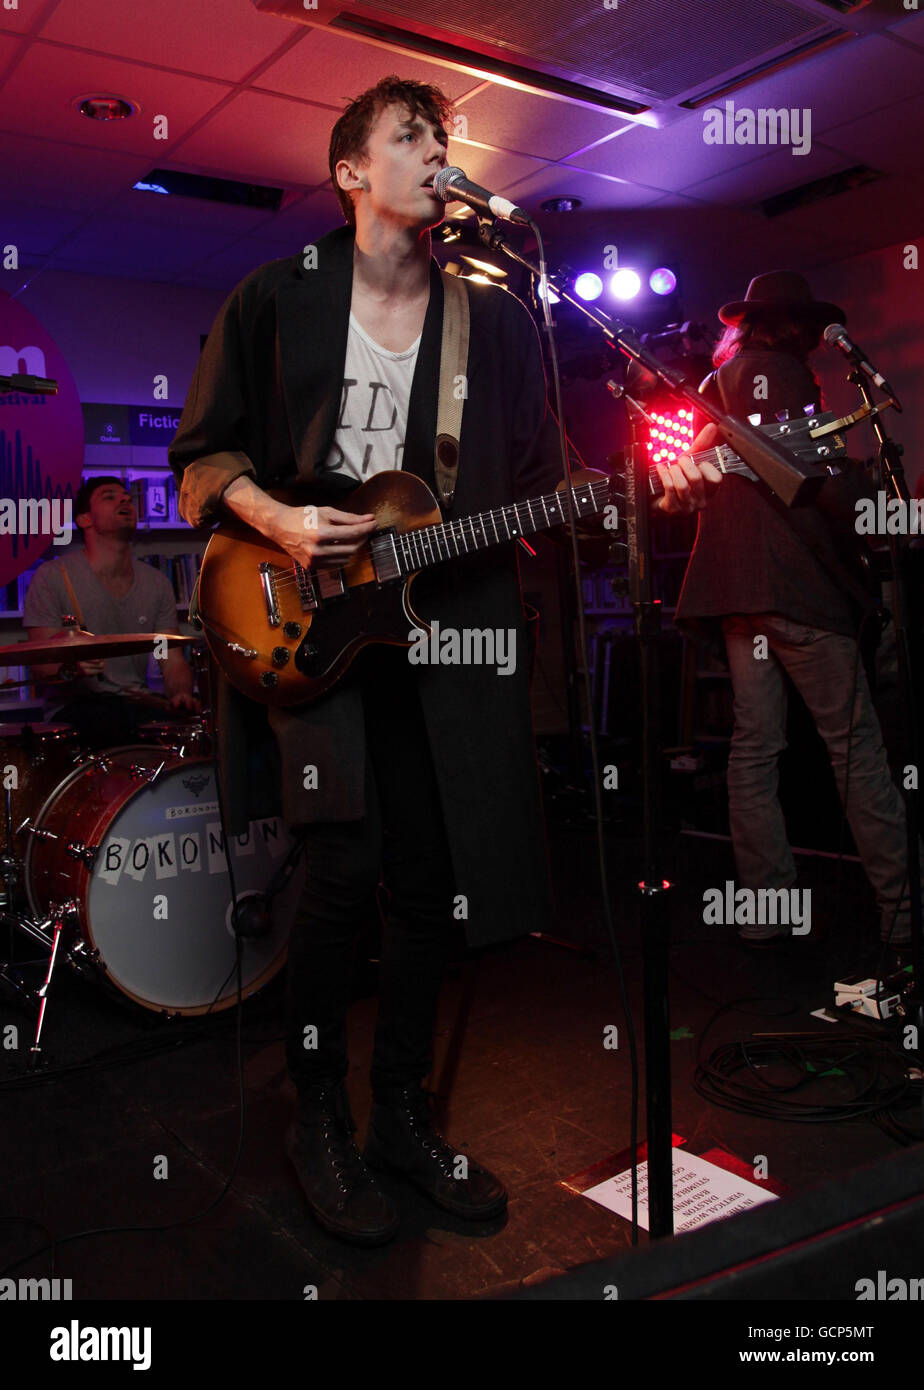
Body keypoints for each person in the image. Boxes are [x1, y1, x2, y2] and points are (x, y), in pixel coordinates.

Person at [168, 74, 715, 1247]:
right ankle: (316, 1111)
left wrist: (631, 486)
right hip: (308, 624)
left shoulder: (498, 319)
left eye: (442, 136)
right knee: (340, 876)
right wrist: (279, 518)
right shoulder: (275, 299)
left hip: (441, 639)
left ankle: (400, 1116)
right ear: (352, 171)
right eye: (409, 137)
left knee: (428, 883)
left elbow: (539, 477)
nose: (437, 150)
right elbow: (201, 461)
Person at [673, 270, 915, 952]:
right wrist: (868, 494)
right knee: (856, 748)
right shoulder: (782, 373)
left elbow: (697, 482)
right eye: (808, 325)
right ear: (793, 325)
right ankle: (904, 919)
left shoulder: (721, 383)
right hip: (795, 588)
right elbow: (815, 480)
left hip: (737, 595)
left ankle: (764, 910)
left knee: (756, 750)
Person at [22, 475, 200, 747]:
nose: (125, 498)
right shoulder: (52, 578)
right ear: (85, 520)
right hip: (76, 709)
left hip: (138, 704)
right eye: (109, 496)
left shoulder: (156, 584)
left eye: (127, 495)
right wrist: (71, 667)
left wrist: (181, 693)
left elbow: (169, 657)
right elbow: (39, 666)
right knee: (110, 728)